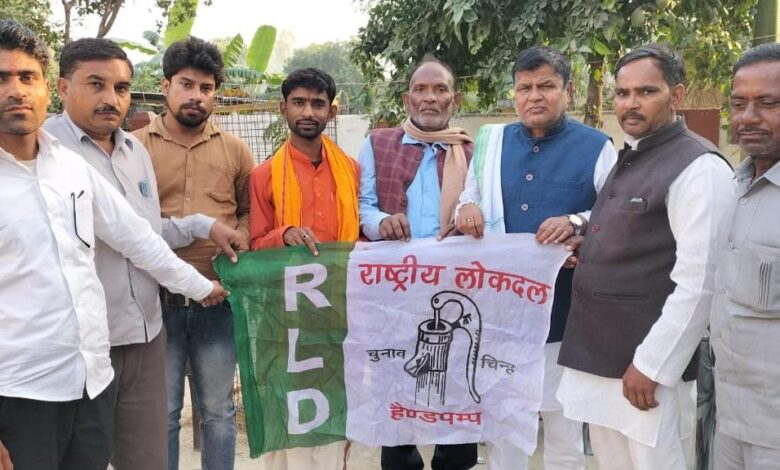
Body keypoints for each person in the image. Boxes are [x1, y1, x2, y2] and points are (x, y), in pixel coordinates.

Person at [0, 20, 227, 470]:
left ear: (45, 87)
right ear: (66, 89)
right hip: (21, 392)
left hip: (90, 381)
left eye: (27, 77)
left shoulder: (69, 167)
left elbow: (139, 238)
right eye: (2, 78)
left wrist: (202, 287)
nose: (16, 91)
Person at [555, 44, 733, 470]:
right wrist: (589, 244)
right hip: (601, 361)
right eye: (622, 93)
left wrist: (652, 365)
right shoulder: (633, 153)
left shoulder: (699, 167)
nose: (630, 103)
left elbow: (700, 282)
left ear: (676, 95)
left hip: (646, 374)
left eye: (646, 92)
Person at [456, 46, 616, 470]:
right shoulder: (492, 144)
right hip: (501, 314)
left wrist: (577, 223)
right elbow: (469, 197)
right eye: (524, 87)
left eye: (546, 86)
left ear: (568, 90)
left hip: (565, 314)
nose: (534, 96)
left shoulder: (597, 147)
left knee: (563, 427)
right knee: (505, 424)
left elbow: (614, 214)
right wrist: (465, 209)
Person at [134, 36, 256, 470]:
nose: (196, 96)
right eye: (187, 85)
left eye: (206, 88)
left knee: (218, 412)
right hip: (156, 302)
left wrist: (242, 236)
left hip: (219, 302)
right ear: (165, 85)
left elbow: (247, 210)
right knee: (164, 413)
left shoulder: (236, 150)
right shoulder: (135, 148)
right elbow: (131, 226)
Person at [358, 56, 477, 470]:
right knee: (395, 378)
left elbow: (485, 212)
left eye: (440, 89)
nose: (430, 98)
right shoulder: (378, 143)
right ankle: (401, 458)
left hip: (457, 289)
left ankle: (453, 460)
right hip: (395, 290)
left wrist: (472, 216)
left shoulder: (470, 151)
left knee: (455, 381)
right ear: (407, 100)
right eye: (420, 90)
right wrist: (381, 223)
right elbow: (363, 206)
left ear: (454, 100)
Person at [248, 67, 359, 468]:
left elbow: (359, 237)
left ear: (332, 111)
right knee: (289, 406)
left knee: (334, 404)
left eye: (317, 103)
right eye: (299, 102)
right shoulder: (264, 176)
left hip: (338, 312)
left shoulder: (351, 170)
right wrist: (284, 234)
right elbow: (255, 246)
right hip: (286, 318)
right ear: (284, 108)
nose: (308, 112)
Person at [710, 42, 780, 470]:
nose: (748, 118)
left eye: (768, 103)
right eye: (739, 104)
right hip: (731, 421)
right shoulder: (734, 187)